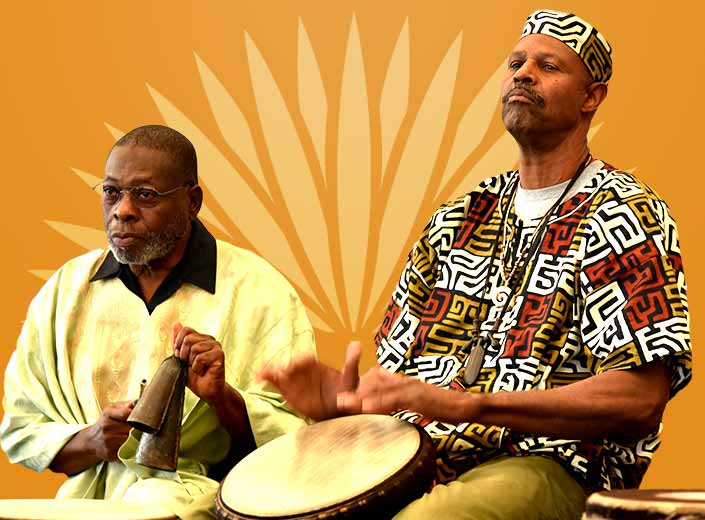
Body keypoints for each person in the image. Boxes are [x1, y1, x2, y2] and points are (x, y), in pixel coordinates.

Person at [260, 9, 692, 519]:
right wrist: (340, 401)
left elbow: (638, 400)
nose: (523, 73)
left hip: (553, 464)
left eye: (549, 66)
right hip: (415, 458)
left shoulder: (623, 213)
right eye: (516, 63)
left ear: (591, 97)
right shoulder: (459, 217)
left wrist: (470, 404)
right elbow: (399, 380)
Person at [1, 125, 315, 518]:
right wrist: (96, 441)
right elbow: (21, 428)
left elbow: (296, 443)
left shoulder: (261, 291)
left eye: (145, 195)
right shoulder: (66, 292)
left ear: (193, 201)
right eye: (111, 192)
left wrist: (221, 397)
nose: (123, 210)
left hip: (209, 500)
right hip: (85, 506)